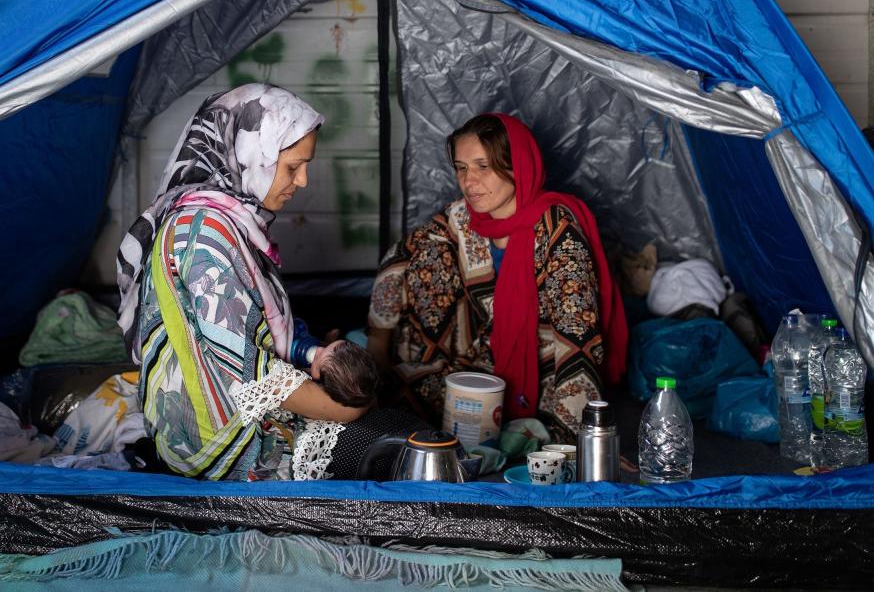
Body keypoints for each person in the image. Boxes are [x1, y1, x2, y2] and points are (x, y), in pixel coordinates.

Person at [116, 84, 371, 481]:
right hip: (213, 442)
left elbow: (255, 329)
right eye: (292, 167)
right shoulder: (203, 232)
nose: (302, 181)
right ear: (252, 157)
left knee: (389, 440)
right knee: (387, 444)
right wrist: (345, 411)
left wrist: (311, 355)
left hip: (228, 414)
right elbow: (249, 372)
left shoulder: (232, 222)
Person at [367, 113, 628, 440]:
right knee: (396, 385)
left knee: (548, 437)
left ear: (516, 164)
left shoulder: (556, 228)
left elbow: (577, 334)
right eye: (461, 168)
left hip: (545, 370)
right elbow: (400, 258)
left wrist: (582, 440)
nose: (469, 181)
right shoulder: (464, 217)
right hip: (484, 361)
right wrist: (377, 345)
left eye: (483, 166)